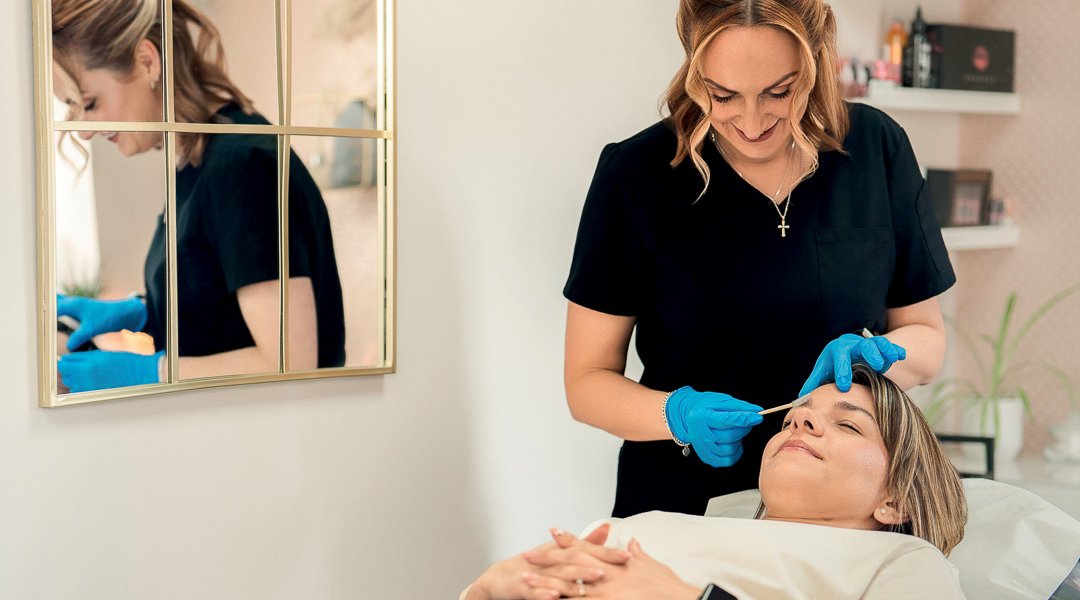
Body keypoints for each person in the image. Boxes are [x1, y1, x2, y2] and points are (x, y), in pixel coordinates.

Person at [562, 0, 954, 518]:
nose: (750, 122)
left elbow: (927, 340)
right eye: (722, 95)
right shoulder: (636, 175)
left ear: (815, 63)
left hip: (836, 514)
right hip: (683, 508)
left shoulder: (876, 150)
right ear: (693, 72)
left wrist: (880, 355)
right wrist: (675, 413)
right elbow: (586, 382)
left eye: (779, 92)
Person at [463, 365, 968, 599]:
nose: (799, 420)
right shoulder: (647, 525)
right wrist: (488, 591)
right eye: (797, 414)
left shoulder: (903, 562)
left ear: (895, 498)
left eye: (848, 423)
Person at [51, 0, 346, 392]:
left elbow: (290, 361)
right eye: (73, 107)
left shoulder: (240, 165)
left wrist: (144, 373)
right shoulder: (198, 159)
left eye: (90, 103)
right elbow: (218, 299)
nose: (84, 130)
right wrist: (142, 312)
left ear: (147, 61)